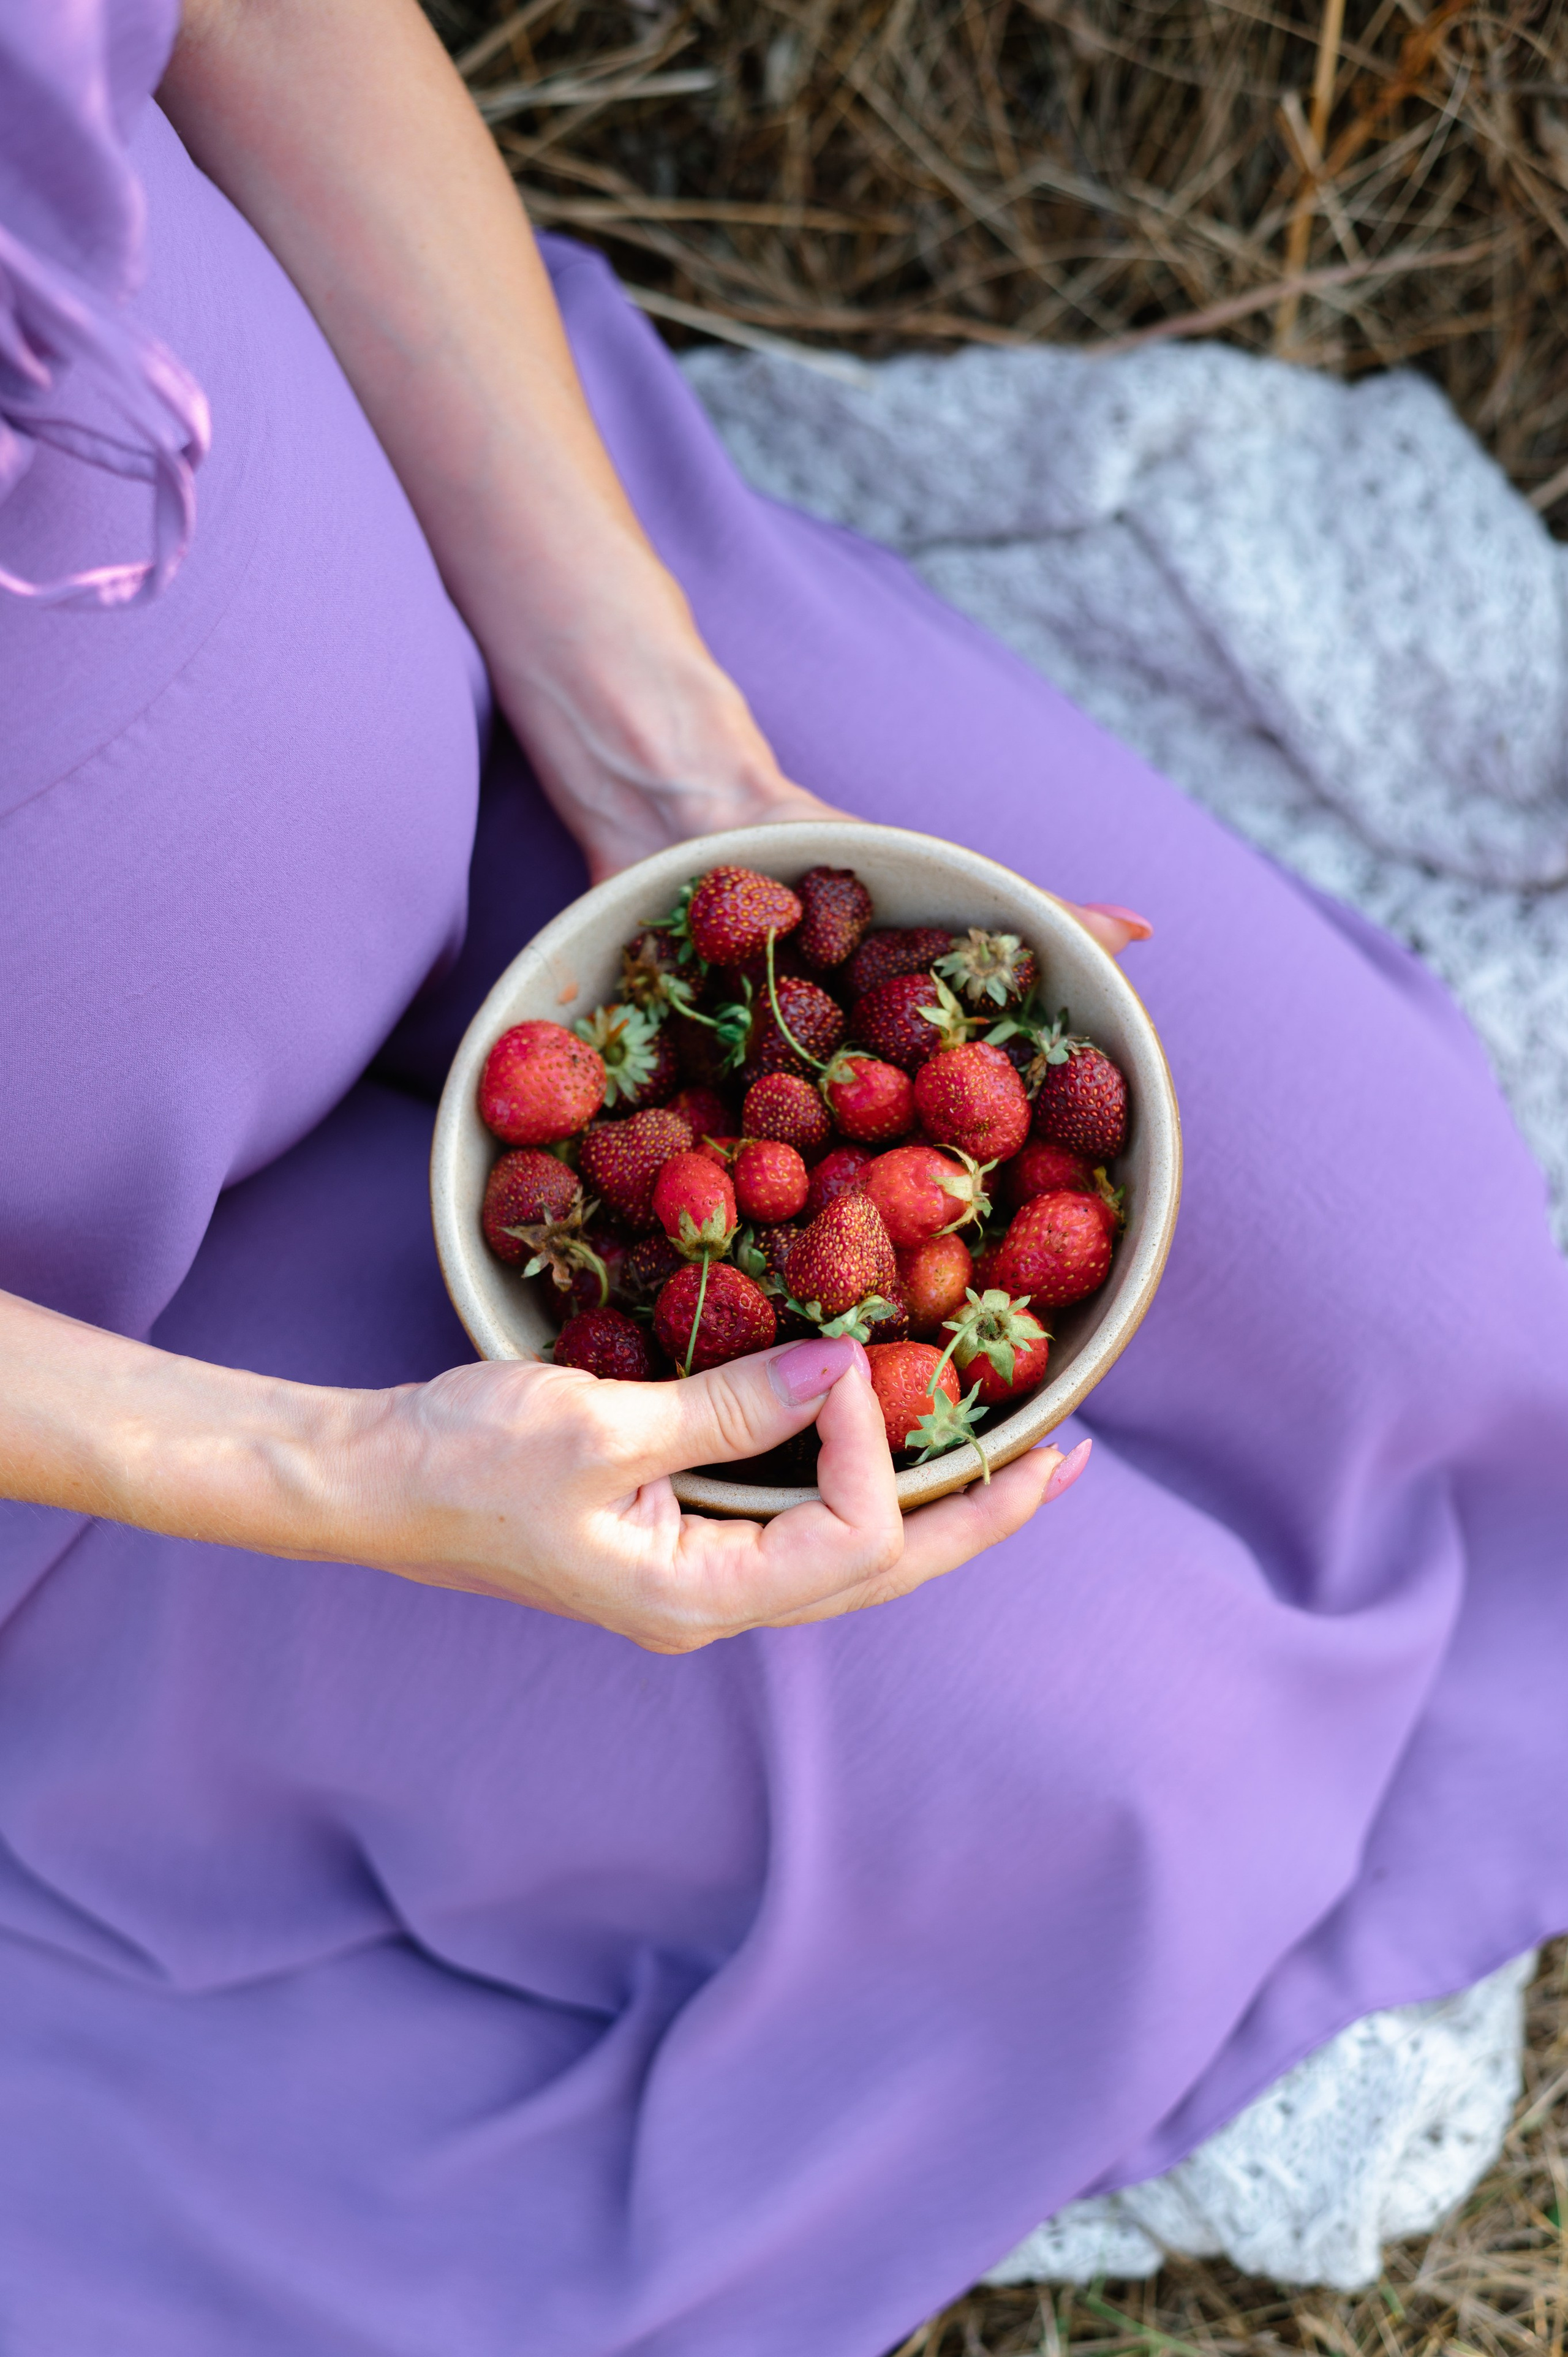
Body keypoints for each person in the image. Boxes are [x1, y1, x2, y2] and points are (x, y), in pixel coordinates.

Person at [1, 3, 1565, 2351]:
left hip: (481, 641)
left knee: (1421, 1269)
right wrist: (342, 1474)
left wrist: (651, 724)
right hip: (116, 1406)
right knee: (1134, 1785)